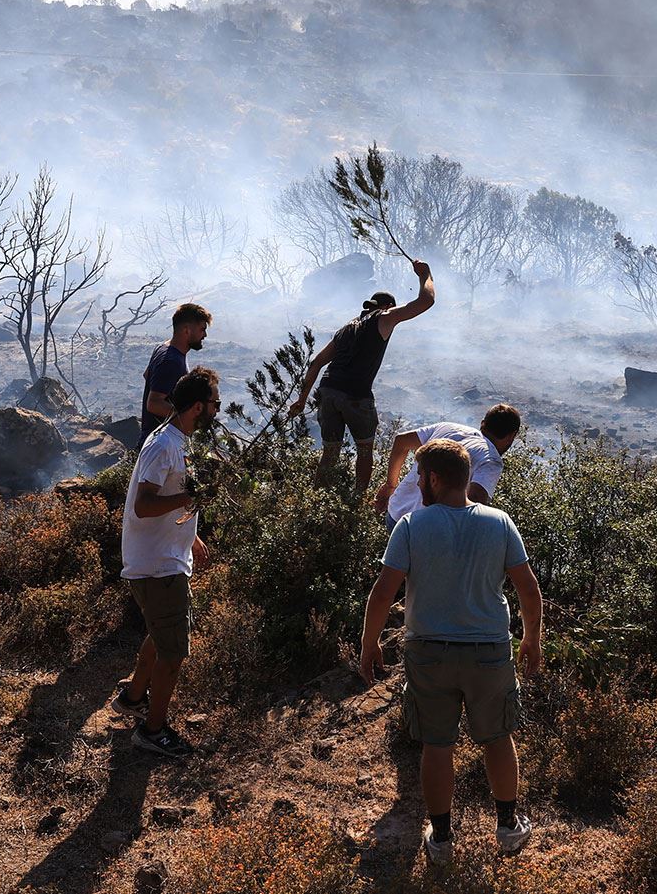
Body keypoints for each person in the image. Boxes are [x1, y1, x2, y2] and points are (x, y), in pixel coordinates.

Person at [359, 439, 543, 863]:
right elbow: (528, 590)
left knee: (437, 745)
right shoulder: (499, 522)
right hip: (488, 653)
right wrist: (532, 638)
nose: (417, 483)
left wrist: (369, 645)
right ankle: (508, 827)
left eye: (419, 476)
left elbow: (383, 592)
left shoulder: (411, 525)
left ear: (434, 479)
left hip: (429, 653)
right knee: (498, 737)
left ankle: (441, 839)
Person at [112, 366, 218, 757]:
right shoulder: (165, 446)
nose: (217, 411)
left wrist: (192, 538)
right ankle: (152, 730)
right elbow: (143, 506)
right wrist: (189, 499)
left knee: (162, 632)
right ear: (196, 407)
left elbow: (169, 498)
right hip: (157, 565)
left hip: (164, 558)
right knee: (172, 652)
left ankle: (134, 697)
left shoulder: (177, 439)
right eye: (214, 405)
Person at [287, 258, 435, 493]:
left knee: (330, 451)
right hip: (355, 394)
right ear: (387, 307)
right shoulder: (384, 317)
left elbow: (316, 363)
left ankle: (317, 499)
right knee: (365, 450)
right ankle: (358, 501)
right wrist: (424, 274)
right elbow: (426, 301)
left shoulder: (345, 329)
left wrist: (302, 399)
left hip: (328, 391)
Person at [375, 404, 523, 531]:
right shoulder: (491, 461)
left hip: (396, 512)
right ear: (512, 435)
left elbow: (401, 441)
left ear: (483, 423)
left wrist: (390, 485)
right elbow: (475, 501)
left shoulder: (448, 427)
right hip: (428, 530)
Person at [138, 302, 212, 449]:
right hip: (159, 444)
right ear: (186, 330)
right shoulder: (171, 360)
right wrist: (188, 416)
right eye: (202, 329)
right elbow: (153, 404)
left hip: (158, 440)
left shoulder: (164, 347)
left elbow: (147, 375)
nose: (204, 335)